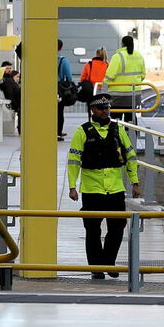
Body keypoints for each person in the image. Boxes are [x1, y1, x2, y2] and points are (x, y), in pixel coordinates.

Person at [67, 93, 141, 280]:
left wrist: (135, 181)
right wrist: (72, 186)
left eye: (107, 108)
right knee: (93, 230)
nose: (104, 111)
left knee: (117, 228)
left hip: (115, 189)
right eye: (100, 108)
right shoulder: (82, 131)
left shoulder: (118, 129)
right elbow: (74, 160)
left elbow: (131, 156)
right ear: (92, 109)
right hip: (92, 190)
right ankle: (96, 267)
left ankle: (108, 262)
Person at [104, 35, 146, 123]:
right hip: (134, 95)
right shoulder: (139, 56)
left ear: (122, 44)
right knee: (131, 118)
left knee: (115, 119)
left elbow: (109, 76)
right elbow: (143, 75)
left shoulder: (118, 56)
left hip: (118, 96)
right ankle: (131, 135)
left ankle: (116, 136)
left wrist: (104, 85)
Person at [57, 39, 72, 141]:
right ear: (61, 48)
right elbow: (69, 77)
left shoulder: (44, 58)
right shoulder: (63, 60)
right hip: (58, 90)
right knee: (59, 111)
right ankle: (58, 132)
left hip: (45, 88)